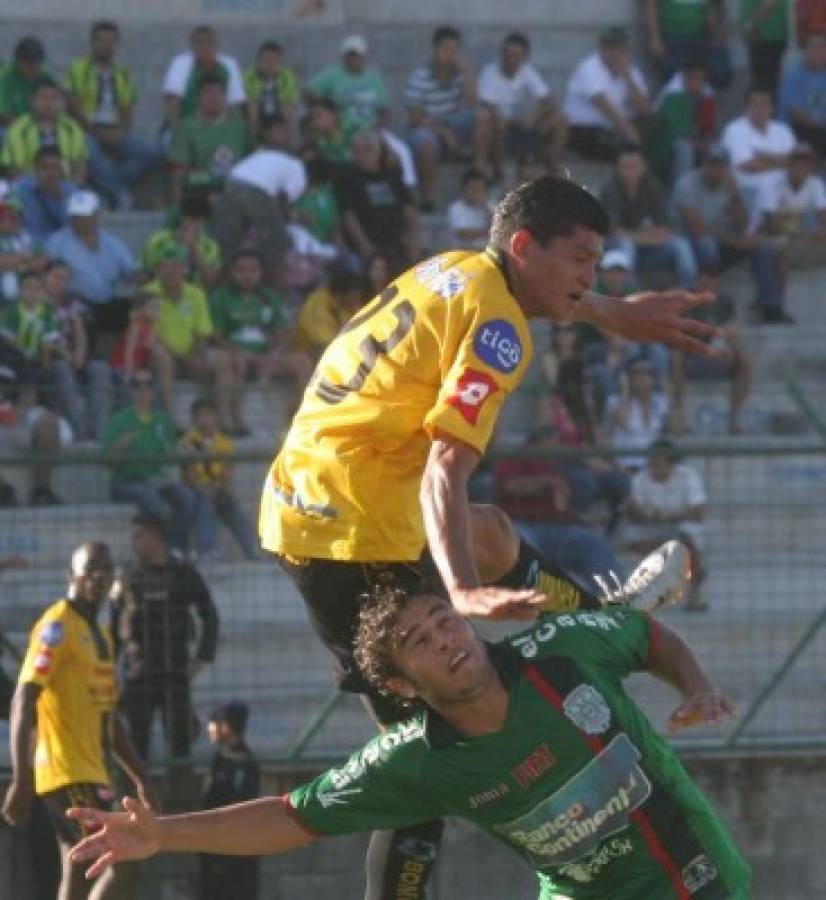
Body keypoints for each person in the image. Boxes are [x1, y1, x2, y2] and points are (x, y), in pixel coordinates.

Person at [257, 175, 716, 898]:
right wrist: (462, 588)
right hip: (352, 532)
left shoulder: (455, 269)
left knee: (496, 534)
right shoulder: (500, 333)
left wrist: (609, 312)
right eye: (582, 260)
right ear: (528, 246)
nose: (589, 278)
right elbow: (446, 466)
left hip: (326, 496)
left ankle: (596, 615)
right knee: (424, 762)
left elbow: (538, 291)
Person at [67, 581, 751, 899]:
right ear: (399, 687)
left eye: (443, 619)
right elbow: (292, 817)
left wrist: (694, 687)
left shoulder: (561, 652)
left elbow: (649, 634)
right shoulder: (414, 762)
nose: (445, 639)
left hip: (696, 876)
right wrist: (164, 836)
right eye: (418, 643)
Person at [2, 542, 158, 900]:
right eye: (90, 569)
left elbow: (110, 717)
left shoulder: (100, 635)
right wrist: (21, 779)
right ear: (72, 575)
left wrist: (142, 778)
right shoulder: (57, 626)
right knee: (122, 855)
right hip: (66, 770)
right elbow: (23, 698)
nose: (99, 576)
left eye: (105, 568)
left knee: (76, 867)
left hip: (91, 770)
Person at [111, 514, 219, 765]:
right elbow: (115, 627)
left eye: (139, 536)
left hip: (175, 670)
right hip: (139, 672)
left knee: (180, 744)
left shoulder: (183, 573)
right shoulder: (127, 577)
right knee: (135, 746)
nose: (133, 542)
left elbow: (209, 615)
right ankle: (134, 800)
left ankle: (181, 801)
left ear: (156, 537)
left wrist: (202, 656)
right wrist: (109, 669)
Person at [670, 143, 791, 323]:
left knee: (762, 247)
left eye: (721, 165)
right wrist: (735, 241)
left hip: (720, 241)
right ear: (704, 164)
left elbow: (742, 225)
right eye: (712, 164)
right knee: (706, 244)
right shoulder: (686, 184)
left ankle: (770, 307)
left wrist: (735, 194)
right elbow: (697, 228)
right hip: (686, 243)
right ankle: (705, 304)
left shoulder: (729, 184)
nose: (716, 170)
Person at [209, 250, 312, 429]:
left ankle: (303, 415)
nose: (247, 275)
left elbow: (281, 332)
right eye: (241, 270)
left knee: (302, 361)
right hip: (233, 355)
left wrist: (274, 353)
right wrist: (239, 352)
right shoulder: (221, 297)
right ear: (232, 272)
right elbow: (215, 335)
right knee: (233, 361)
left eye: (252, 270)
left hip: (265, 357)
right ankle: (230, 418)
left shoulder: (270, 297)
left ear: (260, 273)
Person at [64, 20, 161, 210]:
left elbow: (126, 108)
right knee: (88, 151)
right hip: (86, 130)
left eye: (111, 41)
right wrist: (95, 130)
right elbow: (72, 105)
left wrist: (121, 131)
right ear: (93, 42)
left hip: (114, 130)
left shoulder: (122, 73)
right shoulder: (78, 68)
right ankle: (118, 192)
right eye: (102, 41)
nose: (107, 46)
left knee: (151, 152)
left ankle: (108, 184)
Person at [102, 368, 193, 552]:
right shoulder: (119, 420)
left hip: (156, 479)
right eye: (137, 385)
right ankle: (164, 549)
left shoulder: (161, 420)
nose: (143, 390)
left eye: (148, 384)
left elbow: (172, 451)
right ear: (130, 390)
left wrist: (182, 451)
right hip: (126, 481)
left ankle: (176, 549)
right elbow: (107, 462)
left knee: (187, 498)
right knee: (152, 500)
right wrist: (119, 446)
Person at [144, 242, 232, 431]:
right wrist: (183, 358)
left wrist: (195, 355)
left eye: (175, 266)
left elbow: (203, 332)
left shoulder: (196, 293)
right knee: (162, 357)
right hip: (162, 353)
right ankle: (170, 420)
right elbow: (150, 334)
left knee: (222, 360)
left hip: (191, 351)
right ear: (157, 270)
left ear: (184, 269)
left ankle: (223, 419)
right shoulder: (148, 294)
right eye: (164, 267)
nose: (170, 271)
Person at [404, 26, 486, 210]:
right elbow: (415, 117)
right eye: (445, 49)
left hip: (453, 124)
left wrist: (468, 73)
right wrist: (442, 131)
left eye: (454, 50)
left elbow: (472, 105)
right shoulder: (421, 76)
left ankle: (478, 172)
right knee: (425, 144)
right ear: (435, 50)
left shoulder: (459, 74)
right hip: (427, 127)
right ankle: (427, 198)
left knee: (483, 116)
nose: (450, 54)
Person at [210, 127, 307, 280]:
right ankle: (275, 288)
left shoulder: (266, 155)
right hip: (256, 189)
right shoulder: (299, 169)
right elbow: (283, 200)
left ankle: (225, 282)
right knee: (277, 240)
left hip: (231, 182)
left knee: (227, 243)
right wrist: (296, 216)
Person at [625, 439, 708, 610]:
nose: (655, 467)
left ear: (672, 464)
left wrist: (669, 517)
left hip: (682, 525)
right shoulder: (640, 479)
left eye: (660, 463)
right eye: (652, 463)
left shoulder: (688, 476)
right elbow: (636, 512)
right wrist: (650, 515)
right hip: (651, 527)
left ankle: (695, 594)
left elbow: (698, 511)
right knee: (633, 537)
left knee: (687, 539)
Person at [600, 145, 697, 289]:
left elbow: (664, 227)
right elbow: (614, 231)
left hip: (641, 246)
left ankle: (686, 291)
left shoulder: (651, 186)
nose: (629, 172)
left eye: (634, 166)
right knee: (626, 245)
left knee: (680, 244)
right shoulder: (610, 190)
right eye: (625, 167)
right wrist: (646, 236)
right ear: (617, 169)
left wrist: (643, 237)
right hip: (612, 248)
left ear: (643, 167)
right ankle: (630, 292)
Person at [44, 188, 136, 338]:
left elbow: (130, 272)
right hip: (73, 303)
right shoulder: (56, 242)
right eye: (76, 216)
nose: (79, 220)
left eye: (84, 216)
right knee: (80, 312)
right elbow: (48, 276)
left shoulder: (111, 243)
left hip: (107, 302)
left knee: (136, 311)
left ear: (96, 215)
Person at [477, 31, 568, 175]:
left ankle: (554, 166)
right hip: (500, 124)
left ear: (524, 57)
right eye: (509, 54)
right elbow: (487, 107)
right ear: (502, 54)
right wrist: (513, 120)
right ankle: (499, 172)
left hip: (523, 122)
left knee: (560, 119)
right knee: (498, 122)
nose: (512, 60)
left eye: (517, 56)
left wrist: (534, 114)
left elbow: (547, 100)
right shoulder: (490, 72)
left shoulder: (527, 71)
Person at [180, 399, 260, 560]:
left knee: (231, 506)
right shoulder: (186, 442)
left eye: (208, 415)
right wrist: (203, 489)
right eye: (200, 416)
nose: (204, 420)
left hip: (217, 487)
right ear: (193, 420)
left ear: (215, 417)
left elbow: (227, 473)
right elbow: (188, 475)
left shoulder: (224, 443)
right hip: (196, 489)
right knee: (205, 505)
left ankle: (253, 549)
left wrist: (221, 487)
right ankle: (208, 551)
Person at [200, 702, 260, 900]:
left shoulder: (241, 763)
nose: (209, 728)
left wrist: (224, 860)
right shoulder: (221, 758)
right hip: (214, 852)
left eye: (213, 722)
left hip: (233, 861)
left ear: (226, 726)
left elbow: (242, 812)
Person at [337, 129, 420, 273]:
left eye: (368, 150)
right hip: (368, 247)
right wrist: (366, 248)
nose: (361, 155)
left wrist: (413, 243)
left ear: (379, 152)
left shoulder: (392, 176)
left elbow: (410, 212)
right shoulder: (347, 178)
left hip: (397, 243)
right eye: (357, 151)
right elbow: (349, 216)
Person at [563, 27, 651, 162]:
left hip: (616, 128)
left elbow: (644, 108)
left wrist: (627, 78)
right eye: (609, 47)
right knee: (624, 151)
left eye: (618, 48)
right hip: (586, 130)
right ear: (602, 48)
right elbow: (605, 107)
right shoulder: (589, 69)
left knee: (651, 127)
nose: (614, 52)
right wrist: (631, 135)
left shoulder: (629, 70)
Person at [169, 73, 253, 200]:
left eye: (217, 93)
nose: (213, 98)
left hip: (238, 187)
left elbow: (255, 159)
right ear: (199, 98)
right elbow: (180, 170)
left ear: (225, 96)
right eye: (207, 93)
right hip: (203, 186)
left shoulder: (239, 126)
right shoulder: (189, 127)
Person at [721, 84, 795, 215]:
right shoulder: (735, 129)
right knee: (768, 182)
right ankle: (765, 228)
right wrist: (781, 161)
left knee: (813, 184)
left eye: (764, 104)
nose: (759, 109)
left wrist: (763, 156)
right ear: (746, 107)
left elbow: (795, 162)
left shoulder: (783, 130)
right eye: (754, 103)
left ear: (772, 108)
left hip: (783, 185)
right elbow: (748, 165)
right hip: (747, 185)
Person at [755, 140, 826, 272]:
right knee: (775, 245)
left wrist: (822, 231)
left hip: (798, 230)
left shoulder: (816, 183)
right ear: (788, 164)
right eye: (796, 161)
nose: (800, 166)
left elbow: (823, 215)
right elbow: (768, 221)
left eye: (805, 162)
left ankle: (795, 258)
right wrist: (804, 235)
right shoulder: (773, 182)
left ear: (811, 166)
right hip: (772, 231)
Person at [1, 78, 88, 183]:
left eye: (53, 98)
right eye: (43, 98)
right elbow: (11, 168)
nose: (48, 103)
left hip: (64, 185)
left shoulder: (72, 128)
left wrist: (72, 188)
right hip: (29, 187)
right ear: (32, 100)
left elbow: (80, 165)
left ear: (61, 102)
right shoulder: (18, 129)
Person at [162, 25, 245, 133]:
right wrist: (179, 135)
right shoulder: (180, 63)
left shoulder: (229, 65)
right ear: (192, 46)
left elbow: (236, 106)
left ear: (216, 45)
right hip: (185, 127)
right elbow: (172, 104)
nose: (204, 46)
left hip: (220, 128)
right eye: (199, 42)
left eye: (209, 42)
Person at [307, 35, 391, 132]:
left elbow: (385, 109)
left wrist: (380, 130)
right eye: (349, 55)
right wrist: (324, 108)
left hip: (369, 130)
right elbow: (308, 92)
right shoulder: (333, 75)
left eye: (355, 55)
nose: (352, 59)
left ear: (364, 56)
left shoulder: (374, 79)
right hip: (342, 131)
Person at [643, 0, 732, 89]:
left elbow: (719, 5)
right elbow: (650, 5)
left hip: (702, 35)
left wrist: (720, 31)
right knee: (674, 78)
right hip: (672, 36)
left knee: (720, 72)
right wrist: (655, 38)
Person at [143, 191, 222, 290]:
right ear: (182, 218)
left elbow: (210, 282)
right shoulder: (158, 241)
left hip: (196, 299)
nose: (196, 225)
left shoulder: (211, 246)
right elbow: (146, 275)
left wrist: (194, 249)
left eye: (201, 220)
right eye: (192, 219)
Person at [606, 354, 671, 472]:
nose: (642, 378)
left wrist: (667, 387)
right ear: (629, 378)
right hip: (627, 466)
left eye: (647, 374)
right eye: (637, 374)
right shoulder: (615, 401)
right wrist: (624, 390)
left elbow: (676, 429)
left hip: (654, 467)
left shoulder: (660, 401)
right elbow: (623, 422)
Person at [295, 265, 365, 357]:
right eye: (354, 298)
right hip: (310, 356)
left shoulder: (340, 306)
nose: (357, 301)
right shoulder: (318, 305)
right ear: (342, 295)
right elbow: (325, 345)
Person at [13, 145, 76, 242]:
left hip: (62, 248)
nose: (51, 173)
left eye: (56, 167)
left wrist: (59, 199)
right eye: (45, 167)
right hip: (31, 249)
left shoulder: (70, 192)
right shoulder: (20, 190)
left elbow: (74, 229)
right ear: (35, 169)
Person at [779, 30, 826, 155]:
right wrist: (821, 125)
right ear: (805, 51)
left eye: (822, 46)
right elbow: (797, 114)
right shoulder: (794, 75)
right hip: (799, 128)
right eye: (813, 47)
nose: (818, 51)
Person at [244, 40, 300, 143]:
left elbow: (290, 103)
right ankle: (253, 141)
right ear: (258, 61)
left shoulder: (286, 77)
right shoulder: (249, 77)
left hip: (278, 113)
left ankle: (288, 144)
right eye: (266, 60)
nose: (270, 64)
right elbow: (249, 102)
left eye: (274, 60)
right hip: (257, 114)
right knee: (252, 108)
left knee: (291, 113)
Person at [742, 0, 790, 97]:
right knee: (760, 84)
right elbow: (749, 22)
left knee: (774, 82)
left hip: (778, 39)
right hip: (760, 41)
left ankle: (772, 107)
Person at [0, 36, 50, 128]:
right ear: (18, 61)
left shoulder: (46, 77)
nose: (34, 67)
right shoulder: (5, 78)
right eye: (29, 63)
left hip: (38, 127)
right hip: (8, 127)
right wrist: (25, 128)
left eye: (37, 63)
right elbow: (3, 114)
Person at [446, 168, 493, 251]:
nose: (476, 193)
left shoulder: (490, 206)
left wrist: (487, 211)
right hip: (463, 254)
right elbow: (464, 234)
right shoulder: (456, 208)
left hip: (485, 254)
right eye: (473, 189)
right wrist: (488, 232)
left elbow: (499, 230)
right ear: (463, 189)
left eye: (480, 189)